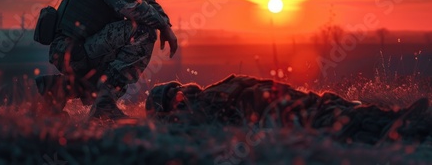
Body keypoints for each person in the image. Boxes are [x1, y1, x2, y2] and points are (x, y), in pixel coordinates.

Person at [36, 0, 178, 120]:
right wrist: (162, 27)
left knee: (118, 62)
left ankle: (59, 89)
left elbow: (147, 1)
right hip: (73, 51)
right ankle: (104, 105)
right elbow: (134, 8)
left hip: (75, 49)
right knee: (145, 33)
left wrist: (165, 24)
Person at [146, 75, 431, 144]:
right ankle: (407, 123)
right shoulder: (219, 89)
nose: (179, 98)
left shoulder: (206, 103)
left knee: (353, 123)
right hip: (301, 106)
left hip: (299, 111)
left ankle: (409, 125)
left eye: (175, 94)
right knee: (349, 117)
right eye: (173, 98)